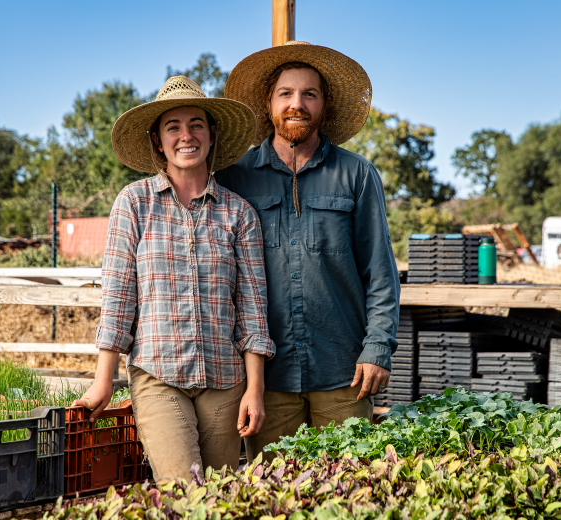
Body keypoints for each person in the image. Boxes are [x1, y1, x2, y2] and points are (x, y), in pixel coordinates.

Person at [73, 76, 276, 480]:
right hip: (158, 375)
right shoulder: (134, 203)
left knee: (218, 496)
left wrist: (255, 390)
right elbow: (118, 299)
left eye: (196, 124)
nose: (187, 135)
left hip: (225, 380)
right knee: (183, 488)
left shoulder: (239, 213)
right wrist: (103, 381)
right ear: (157, 140)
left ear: (211, 134)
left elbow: (253, 311)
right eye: (173, 127)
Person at [216, 42, 400, 460]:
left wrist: (378, 347)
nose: (296, 104)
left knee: (351, 485)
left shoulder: (356, 174)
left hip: (344, 373)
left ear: (324, 105)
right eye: (285, 93)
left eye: (309, 94)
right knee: (274, 487)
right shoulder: (235, 177)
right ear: (268, 103)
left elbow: (380, 271)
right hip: (266, 380)